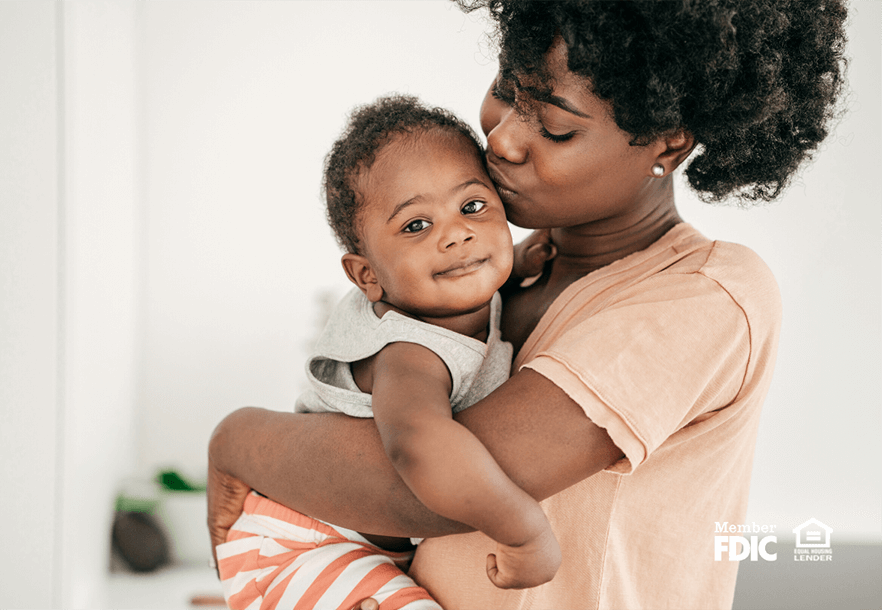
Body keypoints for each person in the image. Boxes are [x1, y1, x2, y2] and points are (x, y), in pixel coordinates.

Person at [208, 1, 847, 608]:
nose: (505, 141)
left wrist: (239, 439)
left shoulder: (707, 293)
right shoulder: (494, 270)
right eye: (508, 92)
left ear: (667, 145)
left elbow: (420, 492)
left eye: (558, 127)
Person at [214, 95, 561, 610]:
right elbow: (418, 445)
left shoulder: (456, 302)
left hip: (341, 547)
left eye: (472, 207)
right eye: (417, 226)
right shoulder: (409, 352)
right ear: (367, 276)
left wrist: (519, 258)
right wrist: (522, 529)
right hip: (303, 547)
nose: (457, 234)